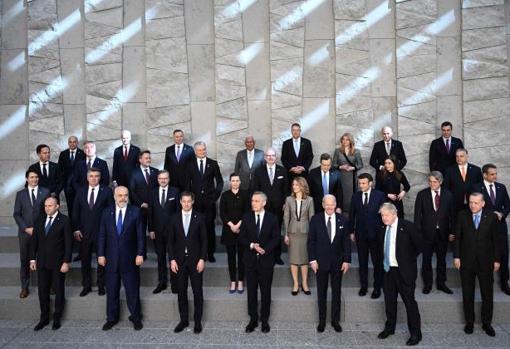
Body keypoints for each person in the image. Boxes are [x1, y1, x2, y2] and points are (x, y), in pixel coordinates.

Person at [98, 186, 145, 331]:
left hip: (130, 259)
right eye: (120, 195)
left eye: (125, 195)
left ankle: (136, 317)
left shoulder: (136, 212)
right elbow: (102, 235)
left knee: (132, 291)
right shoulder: (106, 212)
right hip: (111, 259)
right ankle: (111, 318)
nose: (123, 198)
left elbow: (140, 236)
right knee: (112, 290)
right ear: (114, 196)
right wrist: (100, 254)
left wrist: (140, 254)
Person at [454, 193, 500, 337]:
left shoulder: (492, 217)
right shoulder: (462, 215)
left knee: (487, 295)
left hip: (485, 262)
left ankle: (487, 323)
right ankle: (469, 322)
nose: (472, 205)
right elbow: (457, 238)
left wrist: (497, 260)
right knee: (468, 294)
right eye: (471, 202)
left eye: (476, 203)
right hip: (466, 262)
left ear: (483, 204)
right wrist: (456, 257)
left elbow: (496, 241)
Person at [377, 203, 423, 346]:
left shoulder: (407, 226)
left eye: (386, 215)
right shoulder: (382, 228)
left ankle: (415, 334)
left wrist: (408, 259)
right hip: (388, 271)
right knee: (389, 302)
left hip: (404, 272)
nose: (384, 218)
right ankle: (390, 328)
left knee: (409, 303)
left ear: (394, 214)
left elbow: (420, 245)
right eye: (382, 215)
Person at [308, 194, 351, 333]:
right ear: (322, 204)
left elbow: (346, 242)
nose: (330, 206)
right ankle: (321, 321)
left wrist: (346, 260)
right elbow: (311, 241)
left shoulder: (342, 219)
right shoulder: (315, 219)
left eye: (332, 204)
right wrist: (313, 260)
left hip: (338, 263)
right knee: (321, 292)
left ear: (335, 204)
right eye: (327, 204)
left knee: (336, 292)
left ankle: (335, 321)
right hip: (320, 263)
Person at [239, 192, 281, 333]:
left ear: (264, 203)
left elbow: (276, 238)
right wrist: (251, 245)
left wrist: (265, 249)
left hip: (266, 261)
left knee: (265, 292)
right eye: (252, 201)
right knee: (251, 291)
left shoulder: (272, 219)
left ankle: (264, 320)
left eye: (257, 201)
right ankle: (253, 319)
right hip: (250, 261)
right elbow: (241, 237)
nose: (253, 203)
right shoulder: (246, 217)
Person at [29, 196, 73, 331]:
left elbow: (68, 244)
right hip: (42, 263)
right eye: (46, 206)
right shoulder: (39, 220)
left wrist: (66, 262)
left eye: (50, 205)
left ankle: (57, 318)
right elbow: (34, 242)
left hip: (58, 263)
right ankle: (44, 318)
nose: (47, 208)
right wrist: (32, 259)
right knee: (42, 291)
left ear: (57, 206)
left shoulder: (65, 221)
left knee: (59, 291)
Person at [168, 191, 207, 334]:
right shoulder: (174, 218)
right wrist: (171, 259)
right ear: (180, 202)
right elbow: (170, 242)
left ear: (193, 202)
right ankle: (183, 320)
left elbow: (204, 241)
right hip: (179, 261)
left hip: (196, 261)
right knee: (181, 292)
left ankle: (197, 322)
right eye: (183, 201)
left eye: (188, 201)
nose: (186, 204)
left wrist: (202, 259)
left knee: (197, 292)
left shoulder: (200, 218)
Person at [72, 167, 114, 297]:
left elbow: (111, 212)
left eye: (96, 176)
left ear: (100, 177)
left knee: (102, 260)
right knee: (85, 261)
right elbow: (75, 212)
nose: (94, 178)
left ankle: (101, 285)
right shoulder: (80, 191)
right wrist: (76, 229)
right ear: (87, 177)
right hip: (84, 233)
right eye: (91, 176)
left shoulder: (106, 191)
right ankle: (86, 285)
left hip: (101, 233)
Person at [414, 171, 455, 294]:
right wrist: (418, 233)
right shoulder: (422, 194)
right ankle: (428, 284)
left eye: (435, 182)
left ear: (440, 182)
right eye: (430, 181)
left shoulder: (448, 195)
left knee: (441, 260)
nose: (432, 184)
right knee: (426, 260)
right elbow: (417, 216)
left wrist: (452, 231)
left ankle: (441, 283)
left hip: (443, 233)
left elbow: (452, 215)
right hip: (426, 234)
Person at [472, 164, 510, 295]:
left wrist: (502, 214)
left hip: (500, 226)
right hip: (484, 228)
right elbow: (474, 206)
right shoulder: (476, 187)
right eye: (492, 174)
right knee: (487, 254)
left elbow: (508, 205)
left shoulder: (501, 187)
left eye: (495, 173)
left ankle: (505, 282)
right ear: (484, 175)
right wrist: (492, 213)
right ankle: (489, 281)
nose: (495, 176)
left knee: (504, 254)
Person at [13, 169, 50, 298]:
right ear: (27, 179)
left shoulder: (45, 192)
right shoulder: (20, 194)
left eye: (36, 177)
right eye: (32, 177)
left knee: (44, 259)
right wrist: (26, 228)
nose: (34, 179)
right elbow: (16, 214)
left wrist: (40, 229)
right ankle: (24, 287)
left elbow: (48, 213)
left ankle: (45, 286)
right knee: (24, 260)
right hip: (25, 233)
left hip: (41, 233)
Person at [185, 141, 224, 262]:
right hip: (195, 203)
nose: (202, 152)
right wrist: (190, 200)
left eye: (204, 149)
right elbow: (187, 184)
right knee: (196, 228)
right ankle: (199, 253)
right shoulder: (190, 164)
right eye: (200, 150)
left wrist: (215, 197)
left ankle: (210, 253)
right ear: (196, 151)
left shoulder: (212, 163)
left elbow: (220, 181)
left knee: (209, 228)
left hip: (209, 203)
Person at [349, 173, 385, 298]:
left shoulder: (380, 195)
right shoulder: (355, 196)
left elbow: (383, 215)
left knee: (377, 262)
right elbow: (352, 215)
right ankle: (364, 286)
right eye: (359, 183)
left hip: (376, 235)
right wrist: (351, 231)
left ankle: (377, 288)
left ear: (370, 183)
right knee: (362, 262)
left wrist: (383, 232)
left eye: (363, 183)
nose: (361, 185)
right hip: (361, 235)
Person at [252, 148, 288, 265]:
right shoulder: (259, 171)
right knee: (263, 230)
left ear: (276, 157)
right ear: (265, 157)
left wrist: (285, 203)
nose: (270, 157)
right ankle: (265, 254)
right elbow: (255, 189)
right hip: (264, 208)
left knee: (276, 232)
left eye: (272, 155)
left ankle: (277, 256)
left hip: (278, 207)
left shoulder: (282, 170)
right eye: (268, 155)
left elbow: (286, 189)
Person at [148, 170, 180, 294]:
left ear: (169, 179)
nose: (163, 180)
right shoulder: (152, 193)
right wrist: (150, 229)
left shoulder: (175, 192)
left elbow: (178, 213)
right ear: (158, 179)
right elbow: (150, 213)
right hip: (157, 231)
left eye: (165, 178)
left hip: (172, 231)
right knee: (160, 257)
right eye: (161, 178)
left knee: (173, 257)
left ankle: (175, 283)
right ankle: (162, 282)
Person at [283, 176, 315, 296]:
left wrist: (312, 235)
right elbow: (286, 217)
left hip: (305, 232)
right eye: (293, 185)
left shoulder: (310, 200)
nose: (294, 187)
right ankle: (296, 284)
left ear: (302, 185)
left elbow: (312, 218)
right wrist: (286, 234)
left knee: (304, 259)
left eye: (297, 185)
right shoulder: (288, 199)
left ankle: (305, 283)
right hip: (292, 232)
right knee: (293, 259)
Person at [220, 173, 250, 293]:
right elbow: (222, 213)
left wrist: (238, 225)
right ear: (230, 182)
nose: (235, 183)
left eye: (237, 180)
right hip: (229, 230)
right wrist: (232, 225)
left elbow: (247, 211)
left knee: (242, 257)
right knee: (231, 257)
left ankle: (241, 281)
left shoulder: (245, 194)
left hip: (242, 230)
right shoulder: (225, 195)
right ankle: (233, 281)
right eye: (233, 181)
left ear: (240, 182)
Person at [443, 148, 482, 217]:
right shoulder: (449, 170)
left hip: (473, 204)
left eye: (461, 156)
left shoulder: (476, 170)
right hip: (455, 204)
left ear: (467, 156)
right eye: (457, 156)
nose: (459, 158)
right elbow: (446, 188)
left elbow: (481, 187)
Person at [129, 150, 159, 235]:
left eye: (149, 158)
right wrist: (141, 203)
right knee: (141, 232)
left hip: (154, 207)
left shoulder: (156, 171)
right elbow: (132, 191)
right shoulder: (134, 173)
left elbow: (158, 188)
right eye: (146, 158)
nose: (148, 160)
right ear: (140, 160)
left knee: (155, 232)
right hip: (140, 208)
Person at [332, 132, 364, 211]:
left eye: (347, 139)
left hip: (351, 177)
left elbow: (360, 165)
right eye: (343, 139)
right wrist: (341, 167)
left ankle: (351, 213)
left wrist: (352, 168)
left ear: (351, 141)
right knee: (340, 194)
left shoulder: (356, 151)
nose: (345, 141)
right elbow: (333, 164)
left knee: (351, 196)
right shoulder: (337, 151)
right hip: (340, 176)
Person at [57, 135, 85, 216]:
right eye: (70, 142)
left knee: (80, 206)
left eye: (74, 142)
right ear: (68, 143)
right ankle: (71, 226)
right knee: (70, 206)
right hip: (67, 186)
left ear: (77, 143)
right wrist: (63, 183)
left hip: (79, 185)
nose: (72, 144)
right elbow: (60, 169)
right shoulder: (63, 154)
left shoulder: (82, 153)